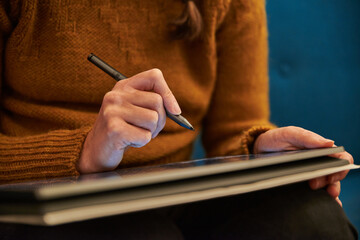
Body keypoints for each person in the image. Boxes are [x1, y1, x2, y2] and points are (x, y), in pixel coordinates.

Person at [0, 0, 357, 239]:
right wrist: (85, 152)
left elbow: (235, 129)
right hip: (43, 203)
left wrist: (261, 149)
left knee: (315, 220)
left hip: (174, 198)